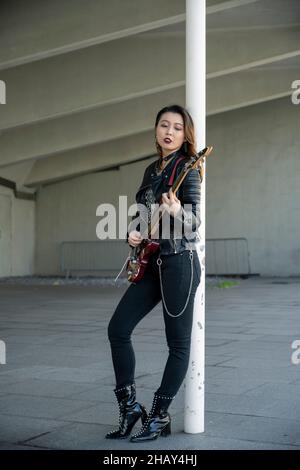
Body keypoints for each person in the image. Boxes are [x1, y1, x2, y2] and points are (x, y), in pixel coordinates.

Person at [106, 104, 202, 442]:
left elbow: (194, 223)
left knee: (177, 343)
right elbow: (140, 215)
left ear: (185, 134)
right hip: (151, 263)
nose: (170, 131)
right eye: (165, 125)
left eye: (177, 127)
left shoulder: (188, 168)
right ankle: (130, 407)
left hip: (179, 265)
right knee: (118, 329)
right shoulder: (151, 170)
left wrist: (178, 211)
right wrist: (132, 232)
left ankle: (159, 415)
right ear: (156, 130)